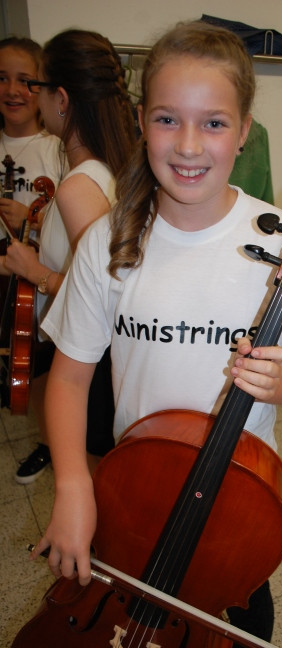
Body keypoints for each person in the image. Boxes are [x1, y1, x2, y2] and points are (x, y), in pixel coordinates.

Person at [37, 21, 282, 648]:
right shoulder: (108, 241)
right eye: (168, 119)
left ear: (244, 130)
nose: (189, 145)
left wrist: (276, 381)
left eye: (214, 123)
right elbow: (68, 376)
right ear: (141, 121)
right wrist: (72, 485)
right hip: (133, 490)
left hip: (235, 498)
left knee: (235, 644)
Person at [3, 29, 136, 484]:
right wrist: (44, 226)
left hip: (93, 362)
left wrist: (35, 271)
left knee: (99, 479)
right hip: (105, 359)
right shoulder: (110, 167)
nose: (30, 97)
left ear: (60, 99)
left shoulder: (78, 186)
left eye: (35, 86)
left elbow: (104, 298)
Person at [0, 36, 63, 235]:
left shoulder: (59, 149)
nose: (12, 91)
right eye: (2, 79)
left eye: (24, 81)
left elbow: (75, 229)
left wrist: (31, 218)